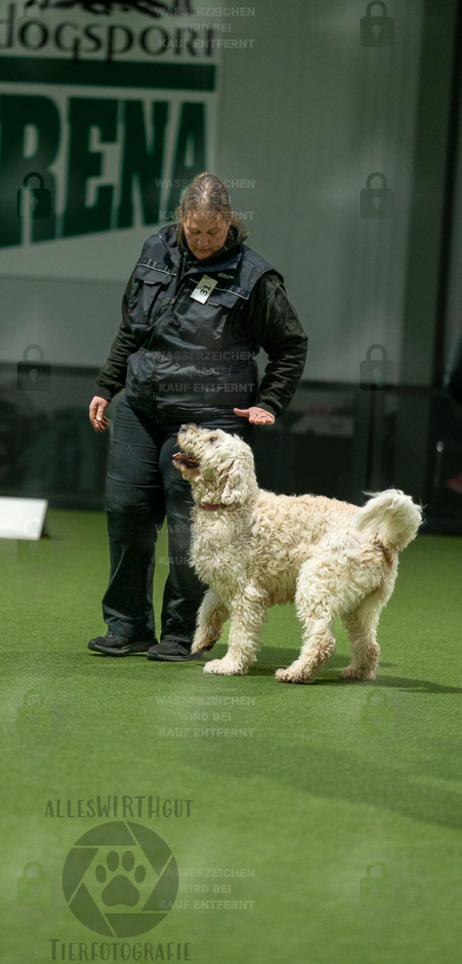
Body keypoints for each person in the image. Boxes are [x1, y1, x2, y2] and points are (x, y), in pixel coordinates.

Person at [87, 172, 307, 661]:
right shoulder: (154, 251)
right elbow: (131, 327)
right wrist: (108, 384)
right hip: (141, 408)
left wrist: (268, 403)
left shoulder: (256, 277)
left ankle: (183, 633)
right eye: (195, 231)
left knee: (194, 530)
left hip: (210, 420)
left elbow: (291, 346)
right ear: (180, 220)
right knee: (127, 512)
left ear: (230, 221)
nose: (204, 241)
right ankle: (126, 626)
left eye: (214, 231)